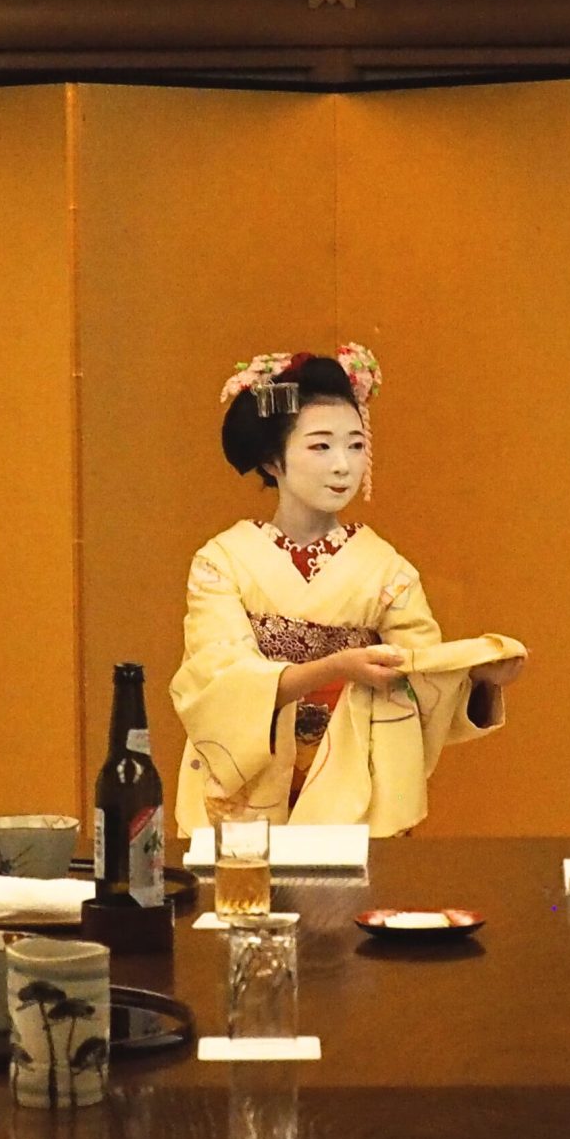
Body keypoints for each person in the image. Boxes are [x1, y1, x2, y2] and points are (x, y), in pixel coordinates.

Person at [171, 345, 525, 837]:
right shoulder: (222, 560)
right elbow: (216, 678)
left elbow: (420, 671)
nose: (343, 465)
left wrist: (477, 678)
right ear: (273, 461)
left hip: (352, 774)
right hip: (248, 784)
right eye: (321, 446)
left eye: (355, 446)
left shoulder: (385, 567)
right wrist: (335, 668)